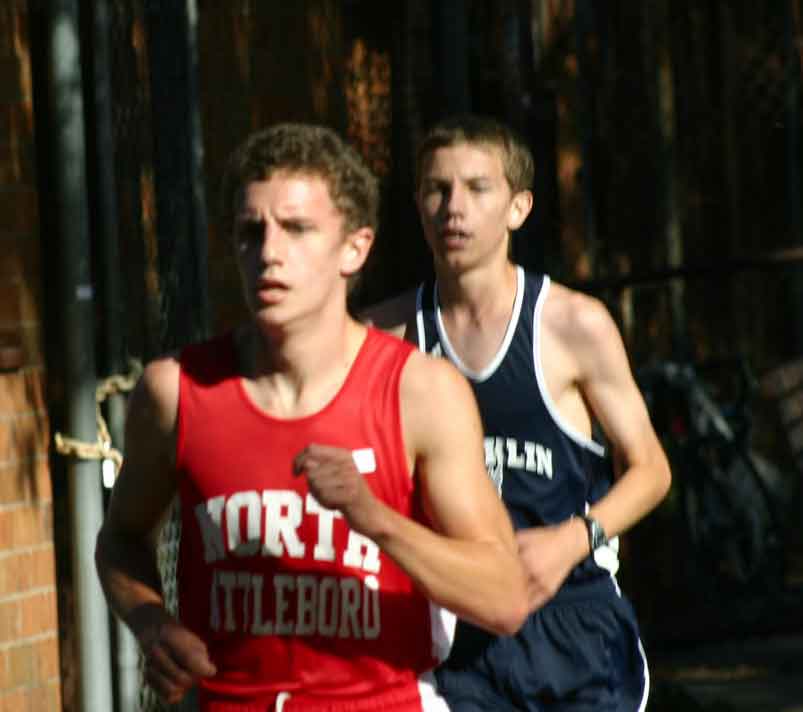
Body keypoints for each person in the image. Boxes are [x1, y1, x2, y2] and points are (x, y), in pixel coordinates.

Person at [95, 122, 530, 711]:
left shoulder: (418, 392)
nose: (268, 253)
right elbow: (121, 538)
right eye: (250, 232)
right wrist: (151, 621)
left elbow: (504, 598)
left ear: (355, 248)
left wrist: (374, 517)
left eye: (297, 229)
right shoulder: (177, 390)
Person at [362, 114, 672, 711]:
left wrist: (573, 540)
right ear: (418, 206)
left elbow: (652, 470)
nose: (454, 207)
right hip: (458, 634)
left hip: (574, 620)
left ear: (518, 208)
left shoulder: (572, 324)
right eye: (437, 189)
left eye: (477, 188)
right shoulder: (383, 337)